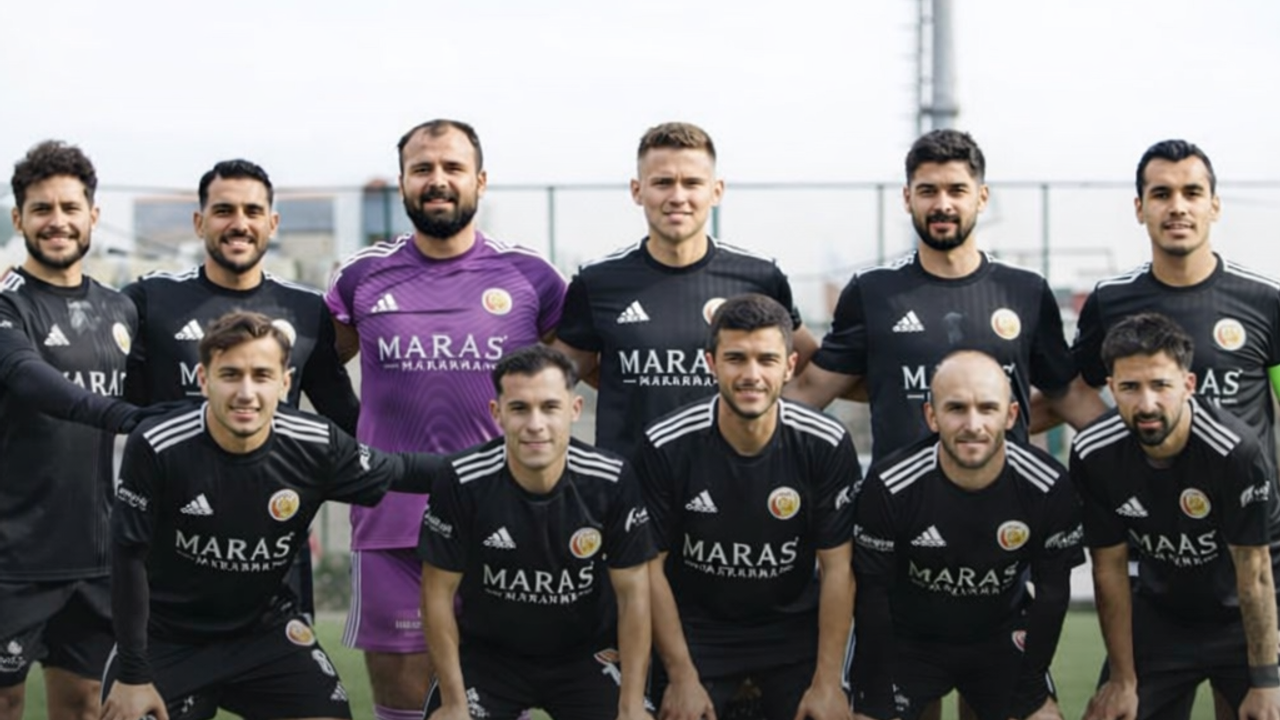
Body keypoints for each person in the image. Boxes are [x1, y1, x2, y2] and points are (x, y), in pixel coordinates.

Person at [325, 119, 566, 719]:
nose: (438, 180)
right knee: (404, 699)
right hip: (391, 519)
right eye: (422, 169)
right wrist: (357, 441)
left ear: (480, 181)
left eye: (453, 168)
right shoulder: (360, 276)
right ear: (403, 183)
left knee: (500, 692)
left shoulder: (533, 276)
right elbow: (317, 370)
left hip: (504, 519)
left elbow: (571, 376)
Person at [99, 311, 439, 720]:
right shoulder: (157, 445)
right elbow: (127, 560)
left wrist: (496, 465)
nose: (246, 392)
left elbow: (403, 470)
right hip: (166, 638)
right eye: (230, 375)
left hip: (264, 633)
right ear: (204, 379)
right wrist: (133, 673)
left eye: (261, 375)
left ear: (285, 383)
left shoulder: (316, 444)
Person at [122, 157, 360, 631]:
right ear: (199, 222)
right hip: (169, 553)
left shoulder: (306, 309)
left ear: (272, 223)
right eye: (224, 210)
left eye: (253, 212)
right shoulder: (150, 299)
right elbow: (109, 389)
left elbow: (349, 422)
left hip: (273, 550)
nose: (239, 223)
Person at [787, 128, 1103, 462]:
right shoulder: (872, 292)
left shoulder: (1026, 291)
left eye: (957, 190)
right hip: (900, 493)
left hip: (1005, 491)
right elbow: (810, 390)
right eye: (928, 191)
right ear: (907, 198)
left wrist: (1130, 452)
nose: (942, 205)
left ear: (981, 197)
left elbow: (1070, 395)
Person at [634, 294, 859, 720]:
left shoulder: (824, 442)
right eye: (736, 358)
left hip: (793, 631)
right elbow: (650, 570)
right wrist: (681, 677)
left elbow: (837, 570)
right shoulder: (667, 444)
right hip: (698, 632)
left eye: (766, 360)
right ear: (711, 363)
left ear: (790, 366)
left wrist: (828, 683)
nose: (751, 375)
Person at [418, 345, 655, 720]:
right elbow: (436, 594)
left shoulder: (611, 479)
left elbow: (634, 596)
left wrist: (631, 705)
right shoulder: (461, 479)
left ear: (574, 409)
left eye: (549, 407)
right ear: (497, 413)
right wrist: (454, 703)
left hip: (586, 656)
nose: (535, 424)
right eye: (519, 408)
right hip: (489, 657)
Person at [553, 121, 815, 460]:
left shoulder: (761, 277)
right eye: (663, 183)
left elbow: (805, 363)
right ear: (637, 191)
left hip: (732, 477)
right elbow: (555, 379)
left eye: (692, 183)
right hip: (631, 479)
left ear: (716, 191)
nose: (678, 197)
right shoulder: (598, 282)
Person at [851, 350, 1081, 720]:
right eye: (956, 408)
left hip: (999, 637)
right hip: (907, 640)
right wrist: (876, 697)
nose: (973, 424)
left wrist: (1031, 689)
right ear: (932, 416)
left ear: (1011, 415)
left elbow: (1052, 594)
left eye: (988, 408)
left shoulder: (1048, 485)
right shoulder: (890, 485)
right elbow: (871, 595)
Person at [1071, 313, 1280, 720]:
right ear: (1111, 387)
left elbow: (1254, 571)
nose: (1146, 404)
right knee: (1112, 713)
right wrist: (1123, 680)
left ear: (1188, 385)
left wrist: (1266, 682)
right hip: (1162, 617)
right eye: (1130, 387)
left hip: (1242, 616)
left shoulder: (1236, 451)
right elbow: (1109, 567)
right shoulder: (1094, 453)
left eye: (1160, 385)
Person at [0, 140, 138, 720]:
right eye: (41, 209)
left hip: (96, 556)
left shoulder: (121, 310)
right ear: (18, 219)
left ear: (93, 215)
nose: (57, 221)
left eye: (69, 207)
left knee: (85, 704)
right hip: (11, 557)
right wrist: (118, 414)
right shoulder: (7, 305)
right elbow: (27, 377)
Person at [1070, 139, 1280, 459]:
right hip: (1145, 491)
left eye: (1192, 193)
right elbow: (1075, 391)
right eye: (1161, 194)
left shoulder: (1265, 300)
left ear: (1214, 206)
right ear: (1139, 208)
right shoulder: (1109, 300)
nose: (1178, 207)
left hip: (1245, 491)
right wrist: (1124, 447)